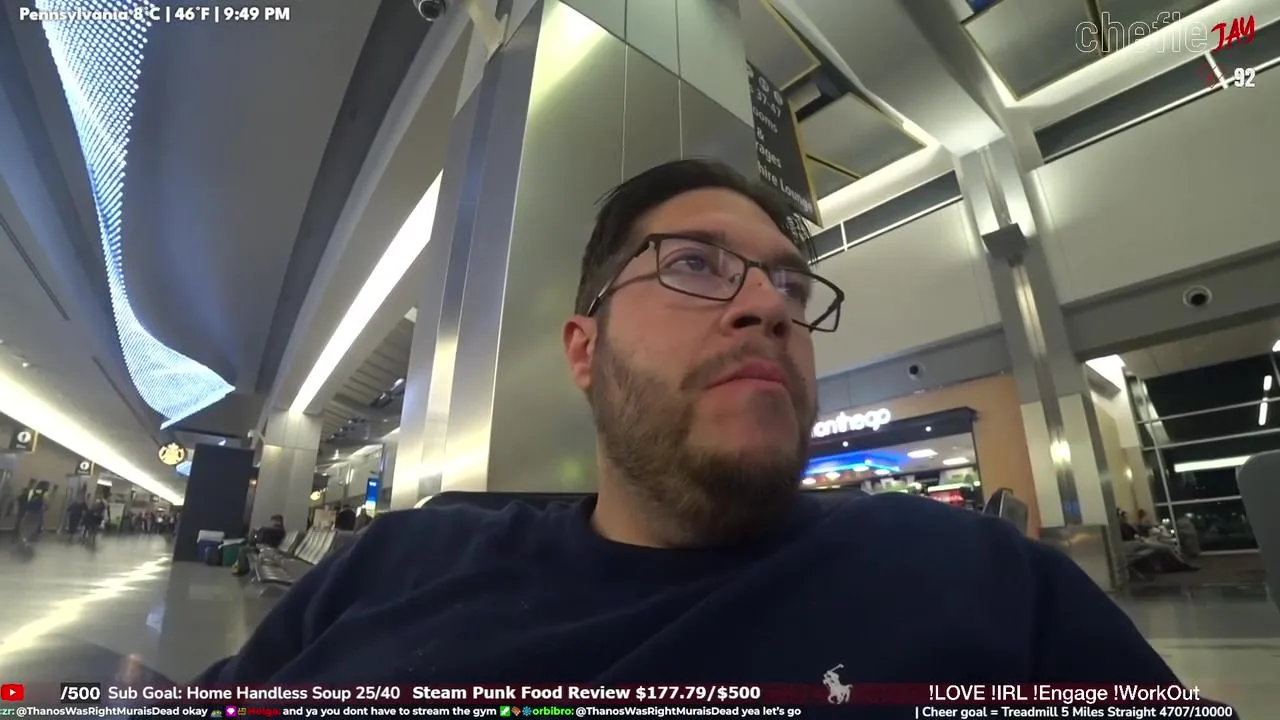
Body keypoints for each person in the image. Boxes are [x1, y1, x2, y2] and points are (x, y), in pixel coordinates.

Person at [195, 159, 1223, 707]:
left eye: (789, 286)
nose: (768, 307)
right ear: (585, 349)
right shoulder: (398, 565)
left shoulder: (985, 582)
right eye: (693, 264)